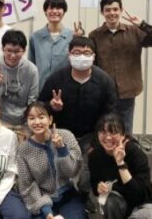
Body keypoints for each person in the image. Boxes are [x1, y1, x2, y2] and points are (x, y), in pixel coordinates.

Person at [38, 36, 116, 195]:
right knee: (56, 172)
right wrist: (51, 106)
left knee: (87, 176)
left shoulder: (104, 81)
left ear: (93, 56)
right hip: (61, 135)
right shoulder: (56, 78)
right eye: (77, 52)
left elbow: (110, 114)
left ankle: (87, 195)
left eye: (87, 53)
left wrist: (97, 142)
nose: (82, 57)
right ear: (69, 55)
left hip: (91, 136)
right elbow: (40, 107)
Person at [17, 102, 92, 219]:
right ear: (27, 122)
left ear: (50, 119)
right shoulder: (24, 149)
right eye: (31, 118)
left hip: (67, 196)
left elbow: (73, 171)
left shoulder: (66, 135)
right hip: (42, 200)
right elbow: (27, 186)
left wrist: (61, 149)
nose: (37, 122)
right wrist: (46, 211)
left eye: (41, 116)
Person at [89, 0, 152, 135]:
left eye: (115, 9)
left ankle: (124, 149)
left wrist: (142, 25)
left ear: (121, 10)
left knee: (125, 129)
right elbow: (92, 63)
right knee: (105, 129)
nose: (112, 13)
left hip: (128, 90)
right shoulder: (95, 35)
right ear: (102, 12)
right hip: (104, 91)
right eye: (108, 10)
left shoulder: (135, 31)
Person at [89, 113, 152, 219]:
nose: (108, 137)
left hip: (144, 202)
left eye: (113, 132)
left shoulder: (135, 153)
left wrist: (120, 163)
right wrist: (98, 187)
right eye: (103, 132)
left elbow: (138, 194)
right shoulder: (95, 155)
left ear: (123, 135)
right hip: (119, 202)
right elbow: (95, 183)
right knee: (110, 200)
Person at [0, 30, 38, 140]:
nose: (13, 55)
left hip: (23, 123)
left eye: (17, 51)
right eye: (9, 50)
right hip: (0, 122)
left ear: (24, 50)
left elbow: (32, 101)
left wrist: (28, 127)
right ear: (2, 48)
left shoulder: (32, 70)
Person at [29, 0, 80, 91]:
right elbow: (31, 65)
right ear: (45, 12)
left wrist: (79, 40)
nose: (55, 11)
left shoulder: (72, 36)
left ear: (64, 12)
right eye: (51, 8)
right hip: (41, 88)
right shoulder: (35, 37)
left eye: (58, 8)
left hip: (66, 89)